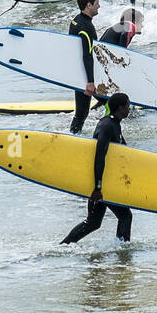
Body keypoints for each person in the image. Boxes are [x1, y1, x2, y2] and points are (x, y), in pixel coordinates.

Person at [61, 92, 133, 244]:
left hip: (106, 182)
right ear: (120, 108)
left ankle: (64, 247)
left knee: (93, 223)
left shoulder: (115, 124)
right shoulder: (107, 126)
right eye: (127, 106)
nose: (129, 109)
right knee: (125, 216)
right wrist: (97, 187)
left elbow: (126, 152)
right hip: (102, 184)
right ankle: (123, 249)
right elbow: (99, 156)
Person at [69, 0, 101, 135]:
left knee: (81, 112)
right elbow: (87, 54)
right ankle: (75, 136)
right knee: (83, 112)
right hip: (85, 75)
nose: (98, 6)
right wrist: (90, 81)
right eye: (96, 3)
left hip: (77, 71)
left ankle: (74, 135)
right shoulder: (85, 27)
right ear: (89, 5)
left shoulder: (76, 20)